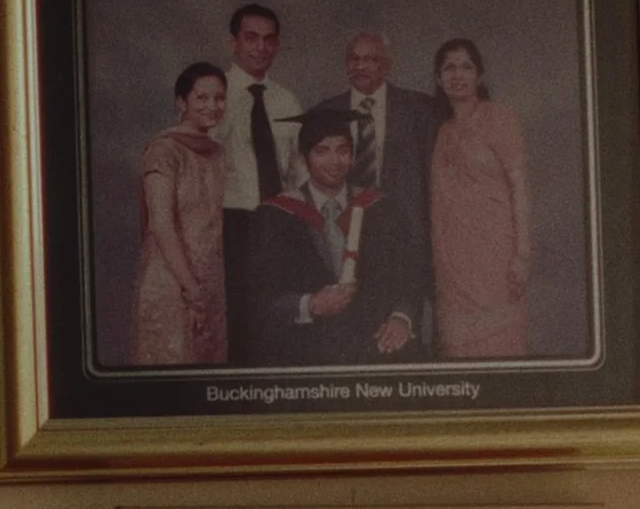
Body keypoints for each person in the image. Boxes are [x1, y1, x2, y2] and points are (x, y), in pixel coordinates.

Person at [227, 104, 421, 367]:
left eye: (343, 150)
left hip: (374, 343)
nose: (335, 162)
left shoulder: (380, 208)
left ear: (353, 156)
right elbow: (256, 296)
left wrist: (401, 317)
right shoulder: (274, 216)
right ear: (303, 158)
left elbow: (407, 276)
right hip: (304, 348)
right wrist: (311, 304)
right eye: (322, 151)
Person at [311, 32, 447, 343]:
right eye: (353, 59)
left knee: (414, 329)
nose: (360, 66)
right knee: (352, 330)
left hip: (411, 236)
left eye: (370, 59)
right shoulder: (325, 111)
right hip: (347, 236)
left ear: (386, 66)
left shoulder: (420, 109)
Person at [428, 37, 534, 359]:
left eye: (466, 67)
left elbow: (520, 186)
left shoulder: (500, 118)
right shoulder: (442, 130)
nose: (457, 75)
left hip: (495, 260)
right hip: (452, 266)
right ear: (437, 78)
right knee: (458, 359)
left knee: (501, 355)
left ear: (480, 75)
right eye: (448, 68)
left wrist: (522, 255)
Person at [212, 4, 302, 347]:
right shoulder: (215, 97)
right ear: (232, 42)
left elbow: (297, 171)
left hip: (278, 222)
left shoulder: (286, 101)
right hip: (231, 222)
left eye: (269, 40)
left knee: (277, 319)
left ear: (277, 45)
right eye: (251, 38)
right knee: (238, 320)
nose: (260, 48)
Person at [130, 63, 230, 365]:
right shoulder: (163, 151)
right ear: (181, 102)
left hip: (211, 283)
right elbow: (161, 225)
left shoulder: (218, 152)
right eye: (201, 98)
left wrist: (204, 293)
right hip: (171, 283)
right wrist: (191, 289)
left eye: (219, 98)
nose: (212, 106)